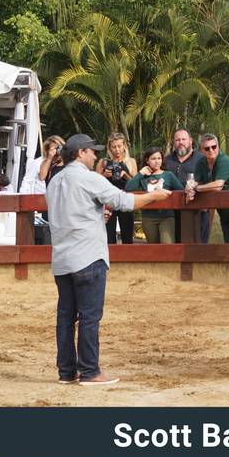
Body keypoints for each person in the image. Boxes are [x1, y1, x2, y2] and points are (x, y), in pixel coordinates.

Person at [46, 133, 171, 386]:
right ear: (80, 153)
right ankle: (90, 371)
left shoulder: (55, 181)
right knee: (90, 317)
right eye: (92, 152)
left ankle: (67, 371)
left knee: (66, 317)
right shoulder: (89, 178)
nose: (96, 156)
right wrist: (153, 197)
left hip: (62, 258)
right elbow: (124, 201)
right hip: (88, 255)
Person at [191, 134, 229, 244]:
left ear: (218, 146)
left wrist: (197, 188)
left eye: (214, 147)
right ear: (201, 150)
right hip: (223, 209)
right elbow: (196, 182)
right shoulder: (201, 163)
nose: (211, 150)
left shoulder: (224, 160)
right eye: (207, 148)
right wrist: (190, 187)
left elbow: (218, 185)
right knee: (228, 243)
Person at [125, 148, 184, 244]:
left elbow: (181, 191)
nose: (157, 161)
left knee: (167, 246)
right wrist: (140, 174)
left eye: (159, 158)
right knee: (153, 248)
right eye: (153, 159)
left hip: (166, 216)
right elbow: (128, 188)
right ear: (147, 160)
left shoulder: (168, 175)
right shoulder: (144, 177)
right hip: (148, 217)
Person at [162, 128, 206, 241]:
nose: (180, 142)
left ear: (190, 141)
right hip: (171, 211)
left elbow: (208, 180)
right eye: (177, 140)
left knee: (197, 244)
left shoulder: (202, 159)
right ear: (174, 143)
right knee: (175, 245)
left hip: (196, 209)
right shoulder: (166, 161)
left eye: (183, 139)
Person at [96, 133, 138, 245]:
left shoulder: (131, 162)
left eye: (119, 146)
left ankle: (128, 260)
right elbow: (94, 183)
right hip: (108, 202)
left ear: (124, 146)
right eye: (114, 147)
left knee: (127, 235)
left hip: (126, 199)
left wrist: (125, 174)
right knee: (108, 236)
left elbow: (135, 184)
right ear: (109, 148)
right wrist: (104, 175)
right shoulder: (103, 162)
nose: (117, 150)